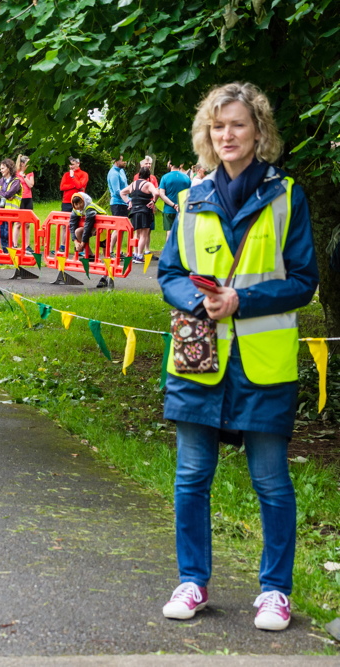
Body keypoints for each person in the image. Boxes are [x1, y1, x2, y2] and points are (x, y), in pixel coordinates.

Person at [157, 82, 318, 632]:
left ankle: (275, 592)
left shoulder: (287, 195)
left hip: (263, 364)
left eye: (238, 125)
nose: (227, 134)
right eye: (218, 125)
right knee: (190, 476)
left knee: (271, 481)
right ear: (208, 133)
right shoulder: (190, 198)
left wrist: (241, 301)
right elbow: (169, 273)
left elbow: (304, 281)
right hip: (197, 359)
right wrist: (197, 299)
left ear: (258, 131)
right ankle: (192, 581)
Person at [121, 167, 176, 263]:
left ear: (139, 174)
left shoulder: (133, 184)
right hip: (144, 211)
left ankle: (135, 253)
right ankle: (139, 255)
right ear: (148, 176)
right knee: (144, 234)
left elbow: (122, 192)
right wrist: (153, 201)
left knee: (137, 233)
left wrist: (129, 202)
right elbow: (156, 193)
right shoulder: (148, 184)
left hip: (134, 211)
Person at [0, 158, 22, 251]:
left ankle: (9, 253)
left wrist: (2, 194)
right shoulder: (1, 180)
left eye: (3, 168)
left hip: (10, 211)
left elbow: (10, 193)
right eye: (0, 168)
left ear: (8, 168)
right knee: (2, 233)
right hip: (0, 210)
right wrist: (4, 195)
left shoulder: (16, 181)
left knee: (7, 233)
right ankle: (5, 253)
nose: (1, 170)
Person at [158, 163, 192, 242]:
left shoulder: (165, 177)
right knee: (181, 232)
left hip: (169, 209)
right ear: (180, 165)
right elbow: (190, 193)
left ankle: (169, 249)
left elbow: (161, 194)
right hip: (183, 209)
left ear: (170, 165)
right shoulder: (186, 177)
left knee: (169, 233)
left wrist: (173, 205)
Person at [68, 192, 107, 262]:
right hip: (93, 226)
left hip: (104, 225)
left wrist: (82, 243)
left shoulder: (90, 208)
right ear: (73, 205)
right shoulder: (75, 210)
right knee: (77, 232)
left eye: (80, 203)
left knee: (105, 246)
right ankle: (90, 256)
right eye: (76, 204)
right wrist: (76, 242)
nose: (79, 206)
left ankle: (109, 263)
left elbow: (88, 226)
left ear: (84, 201)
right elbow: (72, 225)